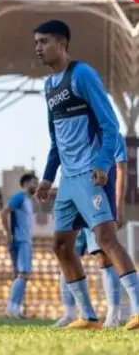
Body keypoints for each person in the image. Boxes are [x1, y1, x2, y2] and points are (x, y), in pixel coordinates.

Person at [33, 19, 139, 330]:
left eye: (44, 42)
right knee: (61, 247)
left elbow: (110, 125)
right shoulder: (49, 87)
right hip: (68, 181)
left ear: (62, 43)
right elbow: (56, 140)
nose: (38, 48)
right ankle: (88, 317)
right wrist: (47, 178)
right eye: (36, 43)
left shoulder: (82, 75)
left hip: (91, 175)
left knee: (106, 240)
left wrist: (103, 163)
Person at [55, 135, 128, 327]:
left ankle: (113, 312)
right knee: (67, 254)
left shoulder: (113, 136)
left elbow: (121, 170)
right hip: (74, 201)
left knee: (104, 257)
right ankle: (70, 313)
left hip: (98, 201)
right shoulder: (74, 131)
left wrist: (118, 208)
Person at [0, 172, 38, 318]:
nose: (36, 185)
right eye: (34, 182)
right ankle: (12, 308)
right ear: (26, 183)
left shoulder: (29, 201)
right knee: (23, 274)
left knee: (21, 275)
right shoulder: (20, 197)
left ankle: (16, 308)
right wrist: (8, 233)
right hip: (21, 240)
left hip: (25, 240)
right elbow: (4, 212)